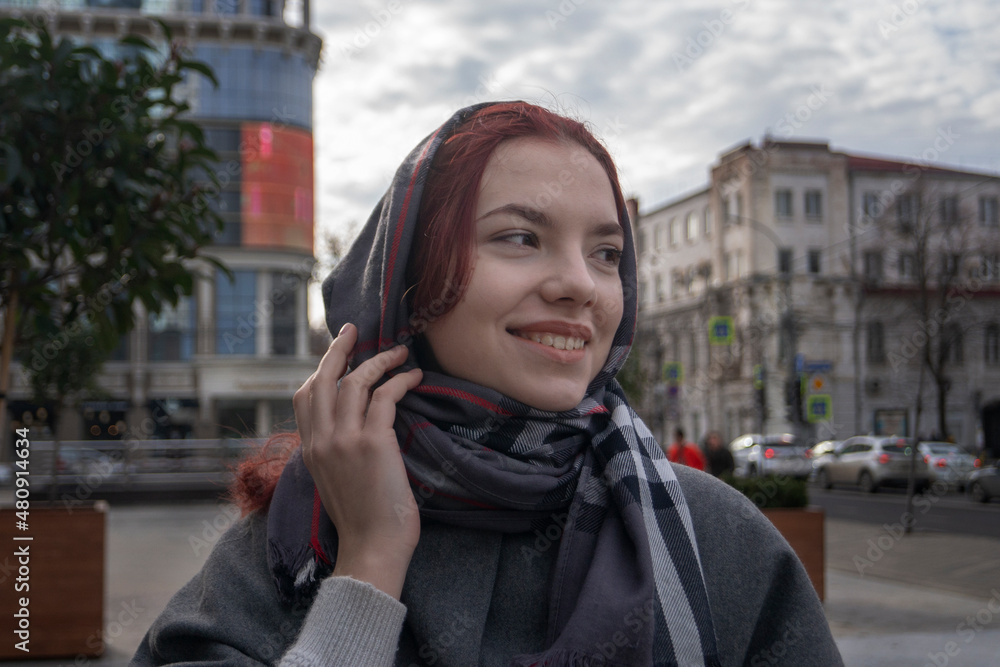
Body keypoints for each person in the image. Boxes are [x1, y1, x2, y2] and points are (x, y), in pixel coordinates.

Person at [132, 102, 842, 666]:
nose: (580, 285)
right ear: (411, 279)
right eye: (521, 237)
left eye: (606, 253)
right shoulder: (293, 538)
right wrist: (371, 561)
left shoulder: (717, 539)